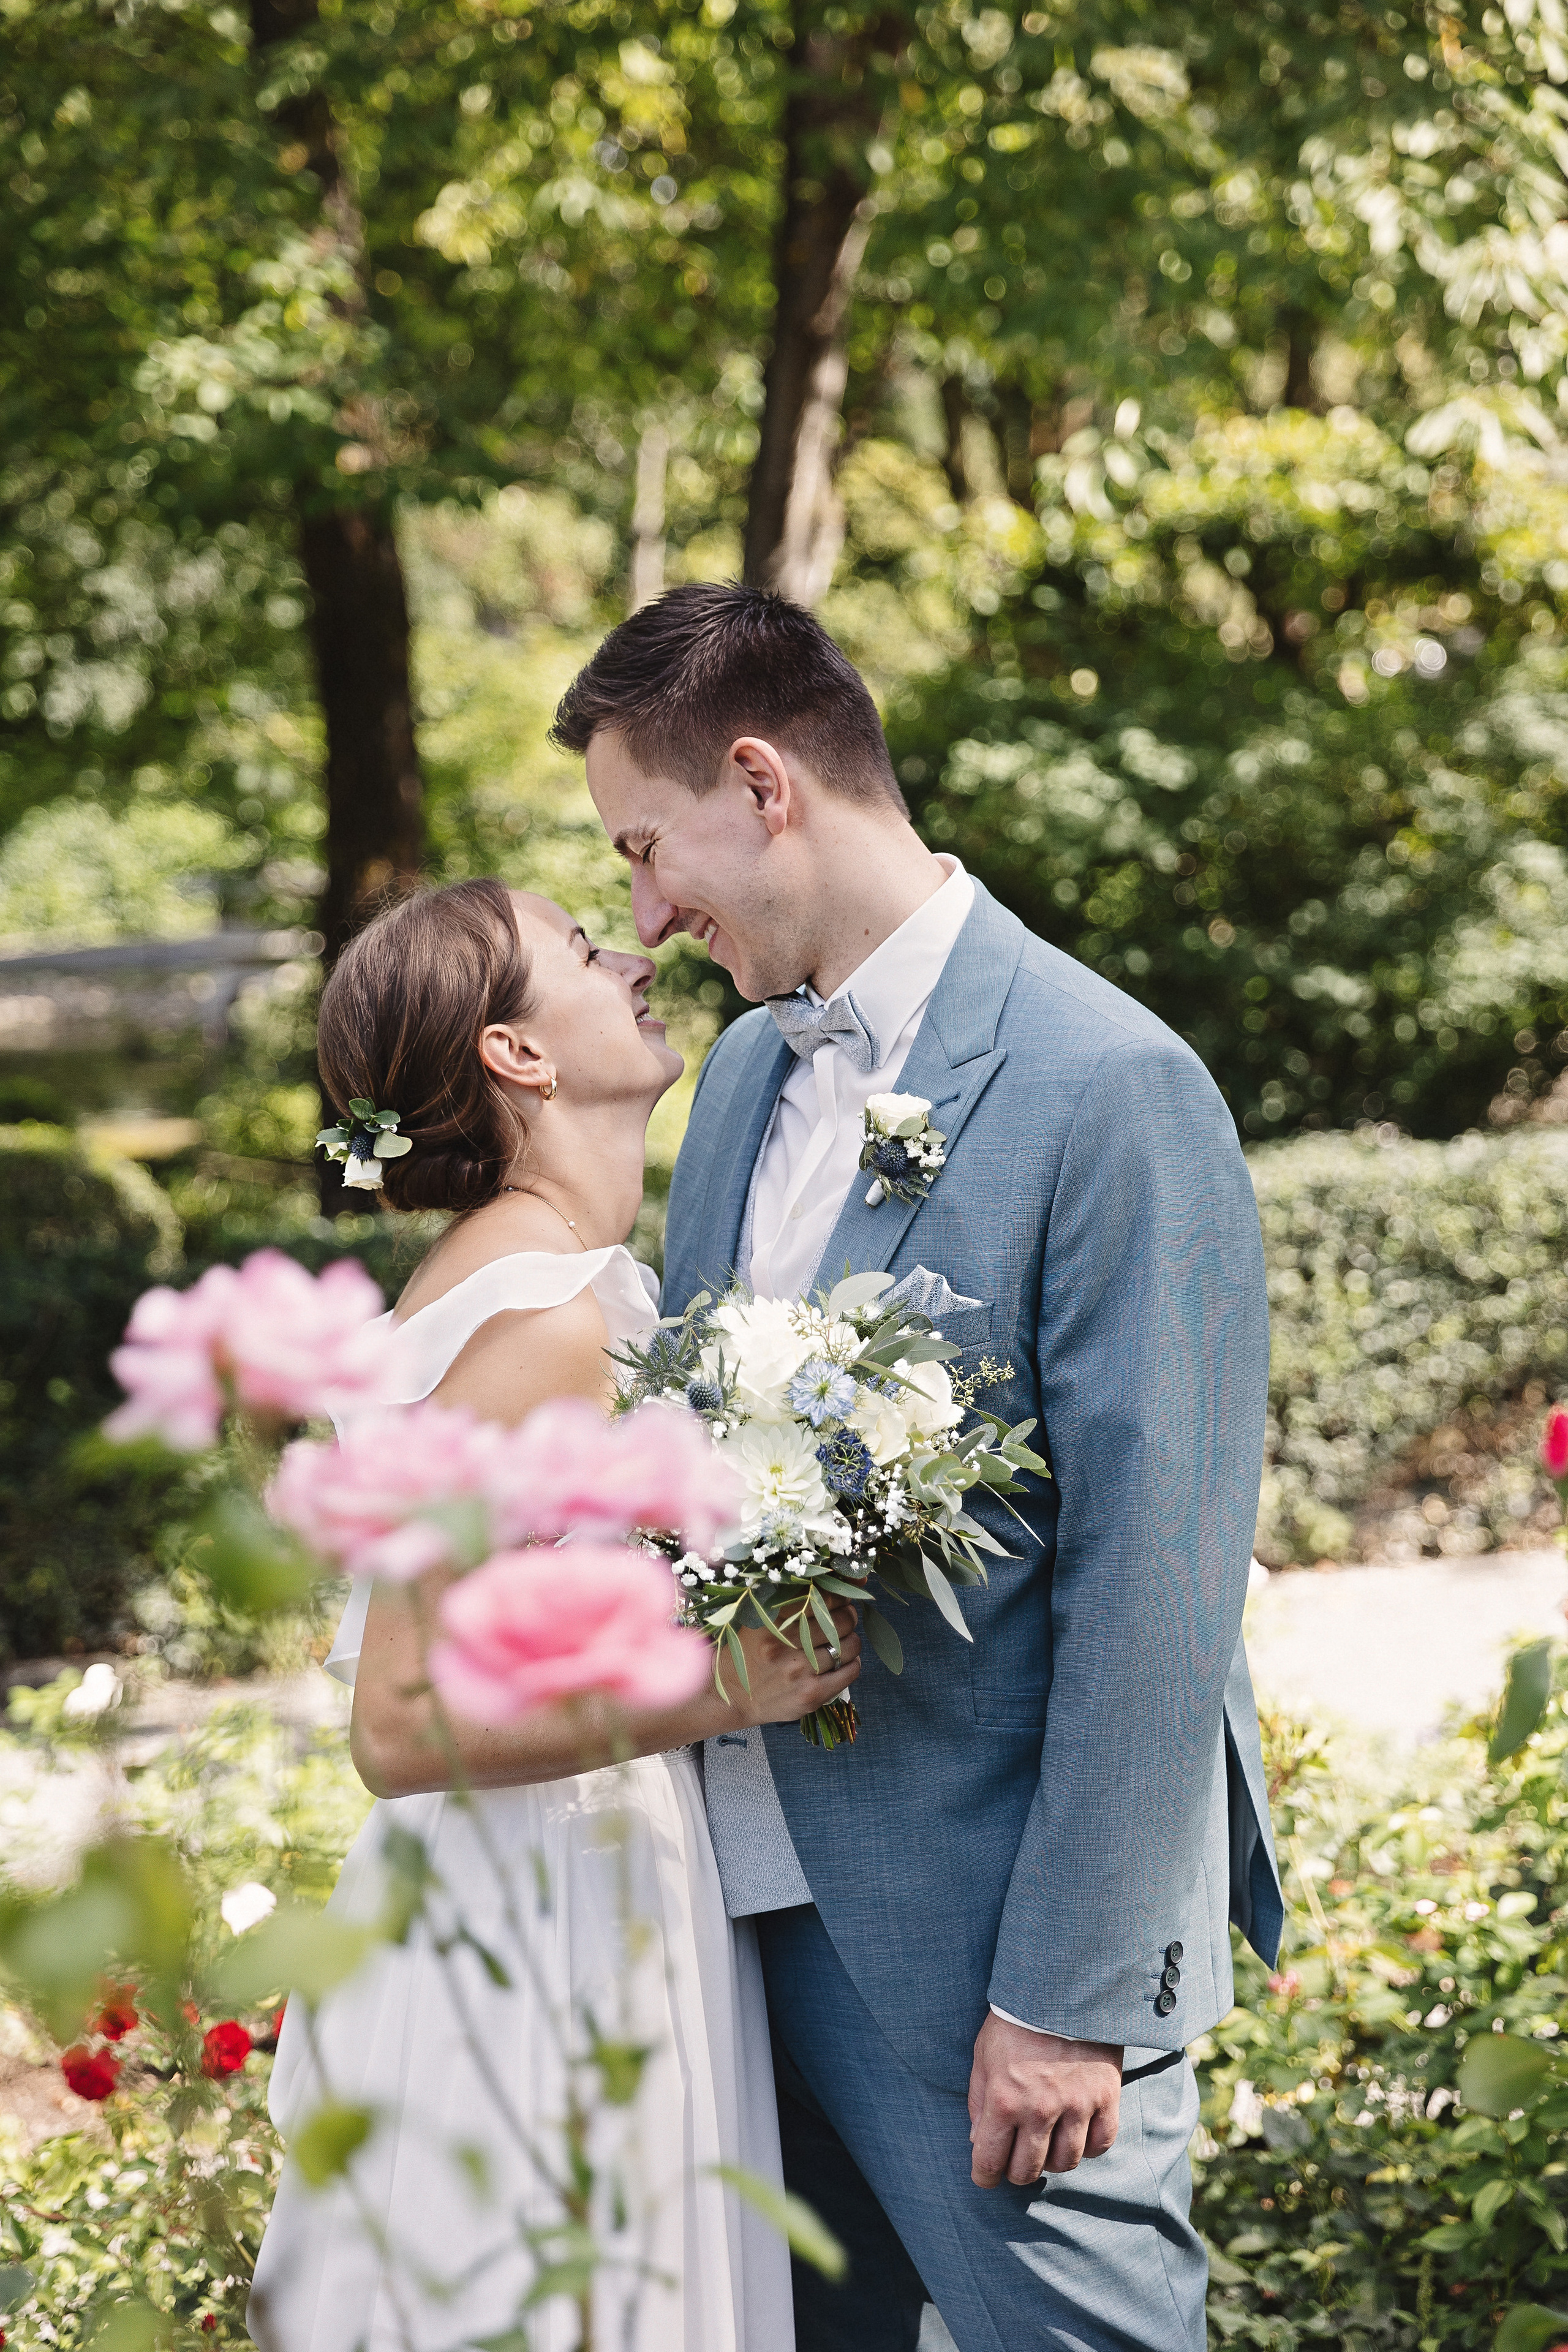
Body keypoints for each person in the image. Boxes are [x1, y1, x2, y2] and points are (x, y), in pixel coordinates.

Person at [552, 584, 1284, 2352]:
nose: (646, 912)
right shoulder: (734, 1082)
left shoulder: (1116, 1084)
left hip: (989, 1976)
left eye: (651, 849)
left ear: (761, 782)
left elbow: (1160, 1576)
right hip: (740, 1938)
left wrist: (1068, 1997)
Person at [249, 878, 855, 2352]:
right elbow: (397, 1725)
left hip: (584, 1865)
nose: (632, 953)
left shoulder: (560, 1285)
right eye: (581, 949)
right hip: (545, 1908)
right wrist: (732, 1686)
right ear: (517, 1055)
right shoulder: (539, 1316)